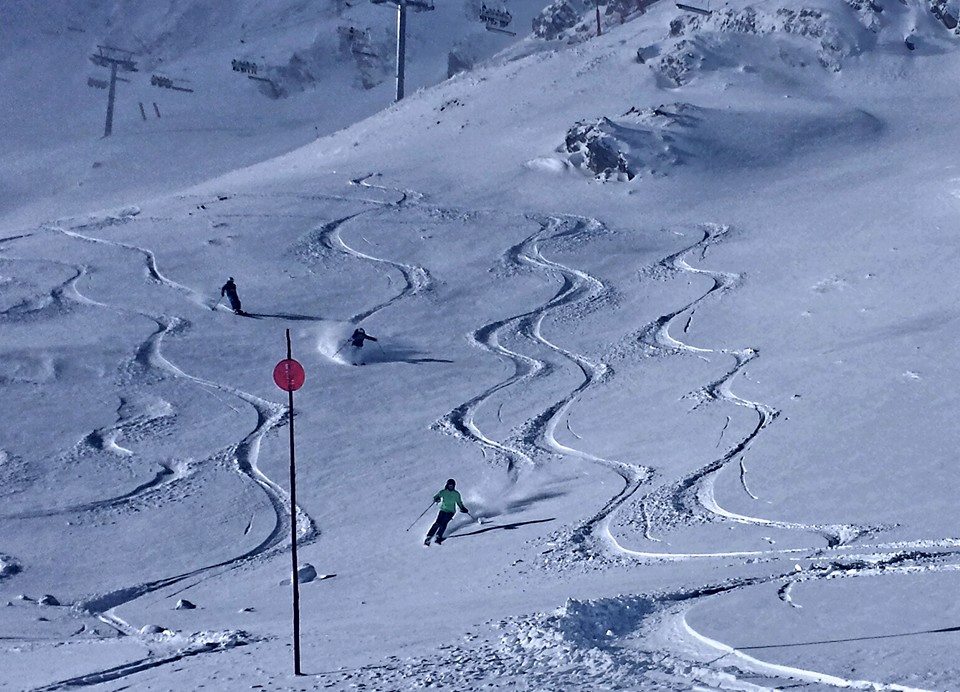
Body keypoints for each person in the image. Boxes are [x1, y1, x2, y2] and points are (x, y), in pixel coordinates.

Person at [425, 478, 468, 546]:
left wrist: (463, 508)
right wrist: (437, 499)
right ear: (447, 485)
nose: (450, 487)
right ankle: (429, 536)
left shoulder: (456, 494)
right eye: (449, 485)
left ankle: (438, 536)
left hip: (451, 511)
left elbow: (459, 502)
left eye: (452, 485)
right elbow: (436, 497)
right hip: (443, 510)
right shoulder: (443, 492)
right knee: (438, 523)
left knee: (444, 523)